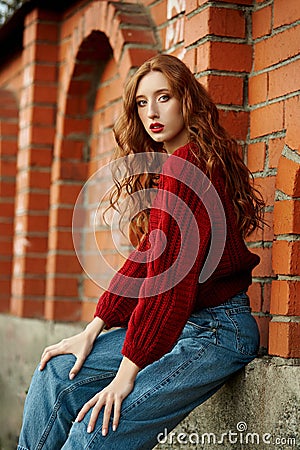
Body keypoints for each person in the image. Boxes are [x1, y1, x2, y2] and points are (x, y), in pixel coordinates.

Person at [18, 54, 265, 450]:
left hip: (218, 331)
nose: (152, 112)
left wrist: (126, 373)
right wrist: (93, 328)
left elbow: (170, 286)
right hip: (185, 324)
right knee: (57, 374)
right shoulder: (174, 164)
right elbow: (149, 256)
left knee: (92, 434)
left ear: (187, 100)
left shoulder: (188, 167)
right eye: (142, 102)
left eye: (163, 97)